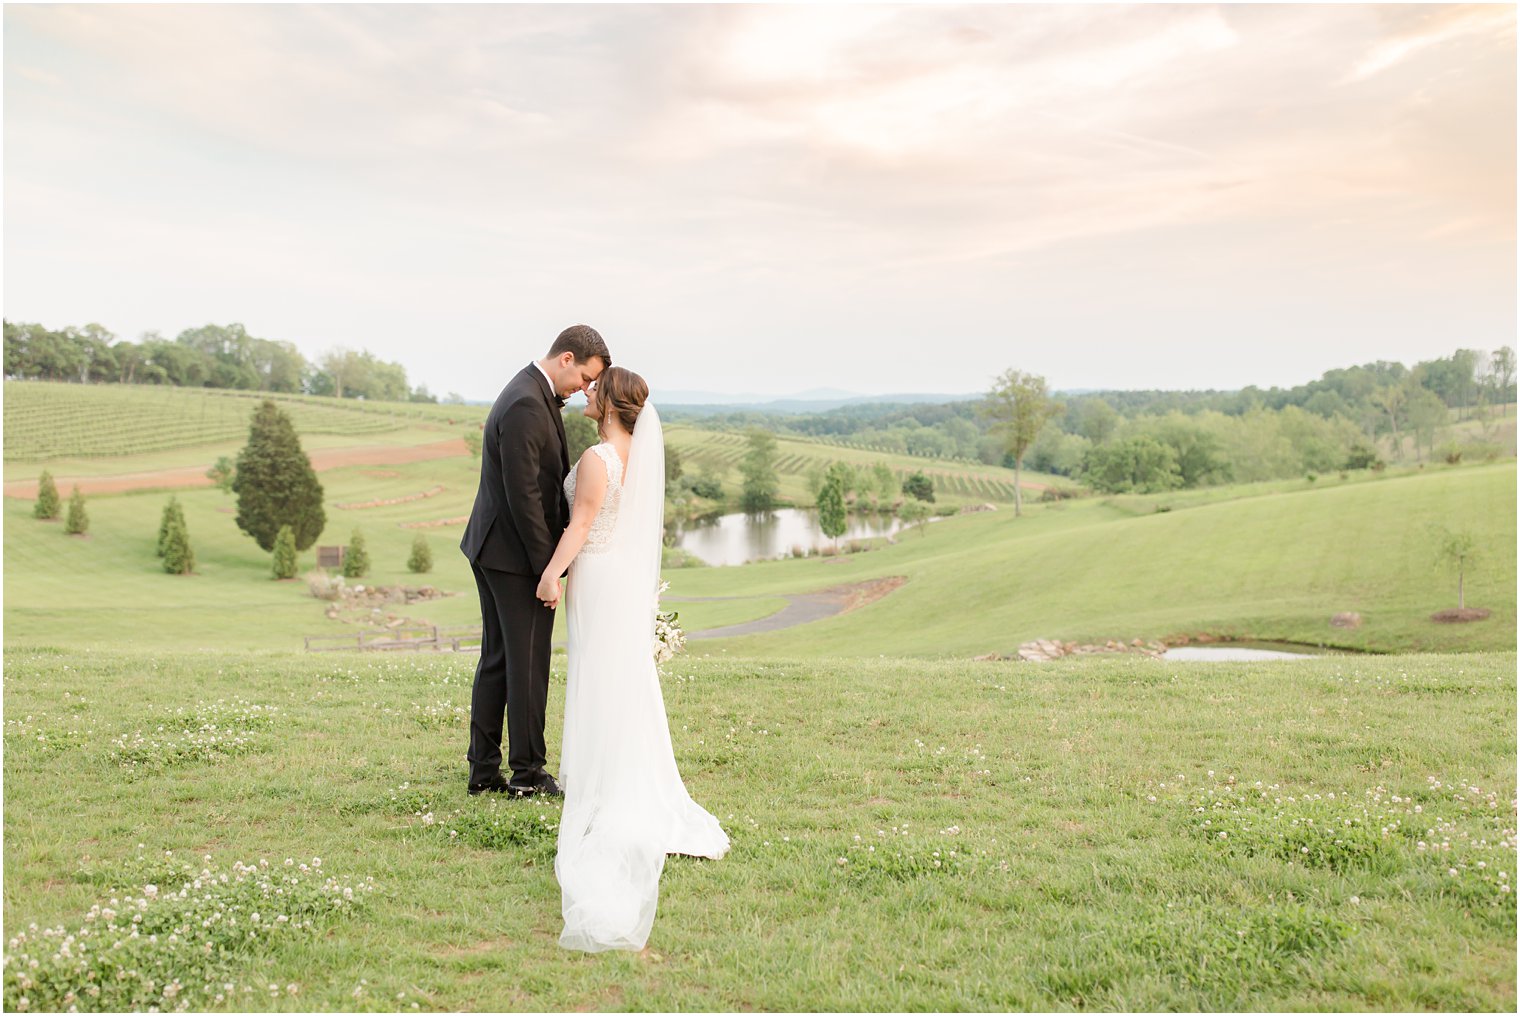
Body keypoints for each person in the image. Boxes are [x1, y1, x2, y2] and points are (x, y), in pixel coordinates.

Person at [535, 366, 730, 952]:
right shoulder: (632, 457)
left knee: (602, 677)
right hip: (619, 577)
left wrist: (551, 573)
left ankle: (608, 783)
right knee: (618, 679)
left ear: (611, 404)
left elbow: (584, 522)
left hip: (598, 574)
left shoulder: (599, 458)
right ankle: (612, 769)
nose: (586, 394)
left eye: (595, 390)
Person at [459, 325, 608, 797]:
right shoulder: (526, 402)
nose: (585, 389)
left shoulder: (529, 391)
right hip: (513, 555)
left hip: (495, 547)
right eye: (585, 377)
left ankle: (483, 772)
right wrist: (550, 569)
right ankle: (527, 775)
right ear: (567, 358)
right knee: (526, 664)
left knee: (500, 660)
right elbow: (524, 496)